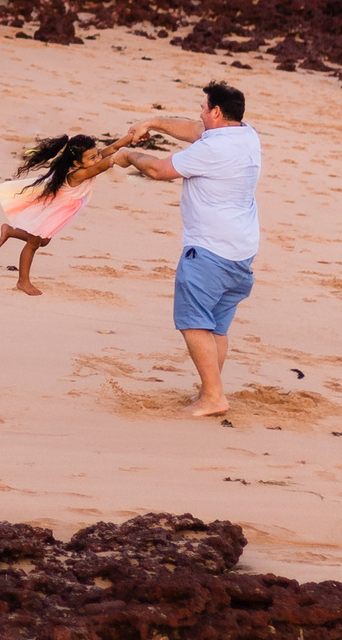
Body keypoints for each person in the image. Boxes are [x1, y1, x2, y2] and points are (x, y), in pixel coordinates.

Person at [106, 83, 261, 418]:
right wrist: (152, 122)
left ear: (216, 112)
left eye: (204, 108)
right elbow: (194, 130)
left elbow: (158, 170)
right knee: (215, 326)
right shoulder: (246, 135)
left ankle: (214, 398)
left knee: (192, 323)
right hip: (241, 249)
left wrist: (129, 155)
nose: (200, 114)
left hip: (210, 250)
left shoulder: (212, 150)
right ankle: (210, 390)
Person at [0, 131, 144, 295]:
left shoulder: (86, 162)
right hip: (51, 209)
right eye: (92, 158)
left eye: (96, 155)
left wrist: (131, 137)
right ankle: (23, 281)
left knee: (43, 241)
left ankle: (10, 231)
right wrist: (116, 158)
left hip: (60, 207)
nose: (97, 159)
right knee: (34, 244)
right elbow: (102, 165)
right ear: (77, 162)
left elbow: (113, 146)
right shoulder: (79, 173)